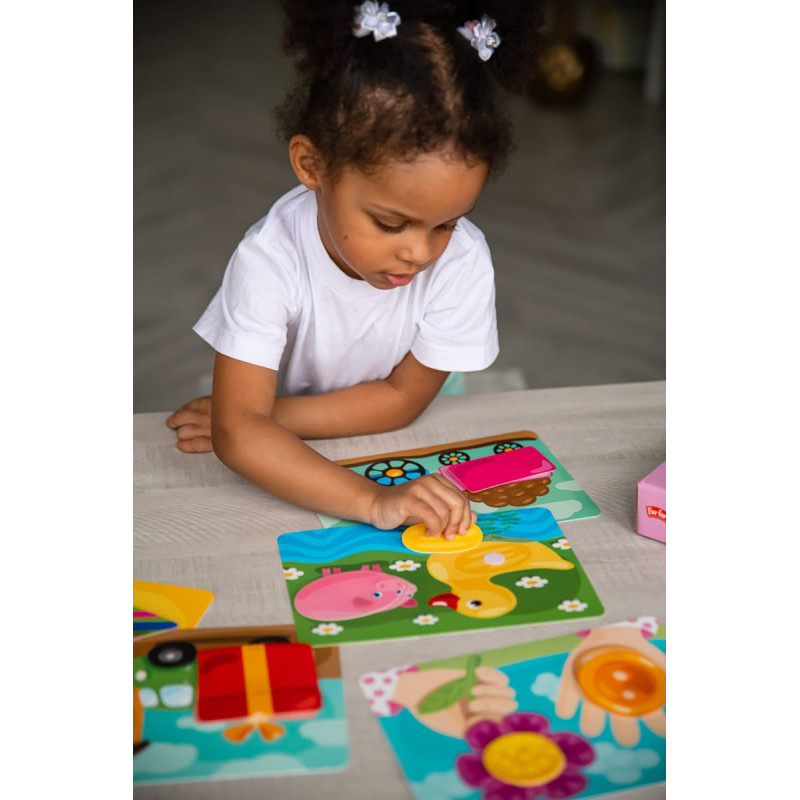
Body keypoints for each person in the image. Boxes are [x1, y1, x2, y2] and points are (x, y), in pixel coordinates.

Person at [167, 1, 545, 539]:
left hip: (411, 433)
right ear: (312, 165)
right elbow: (237, 437)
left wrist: (260, 417)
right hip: (309, 457)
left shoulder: (462, 259)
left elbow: (402, 400)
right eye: (391, 224)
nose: (421, 252)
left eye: (447, 223)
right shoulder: (268, 260)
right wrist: (372, 500)